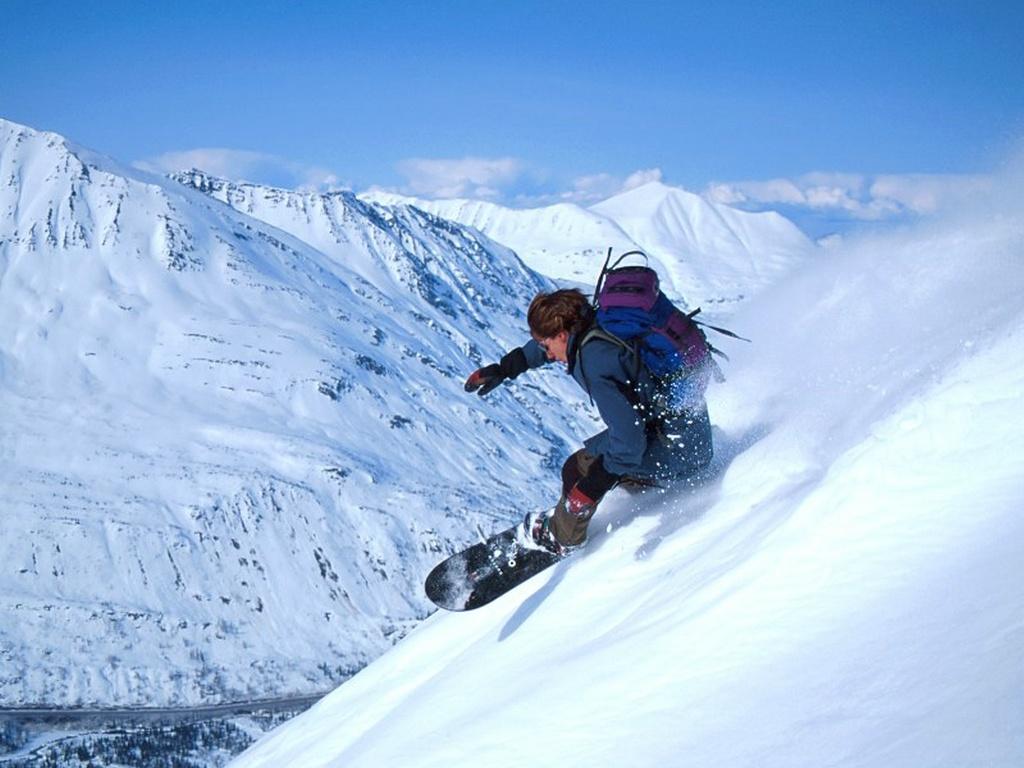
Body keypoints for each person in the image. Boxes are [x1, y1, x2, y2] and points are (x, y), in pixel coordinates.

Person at [465, 288, 713, 556]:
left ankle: (561, 539)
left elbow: (629, 445)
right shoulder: (596, 322)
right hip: (687, 432)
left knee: (580, 468)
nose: (548, 354)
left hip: (684, 455)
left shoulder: (596, 364)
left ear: (562, 335)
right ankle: (640, 484)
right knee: (603, 457)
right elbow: (545, 348)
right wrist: (506, 368)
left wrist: (591, 487)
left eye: (547, 346)